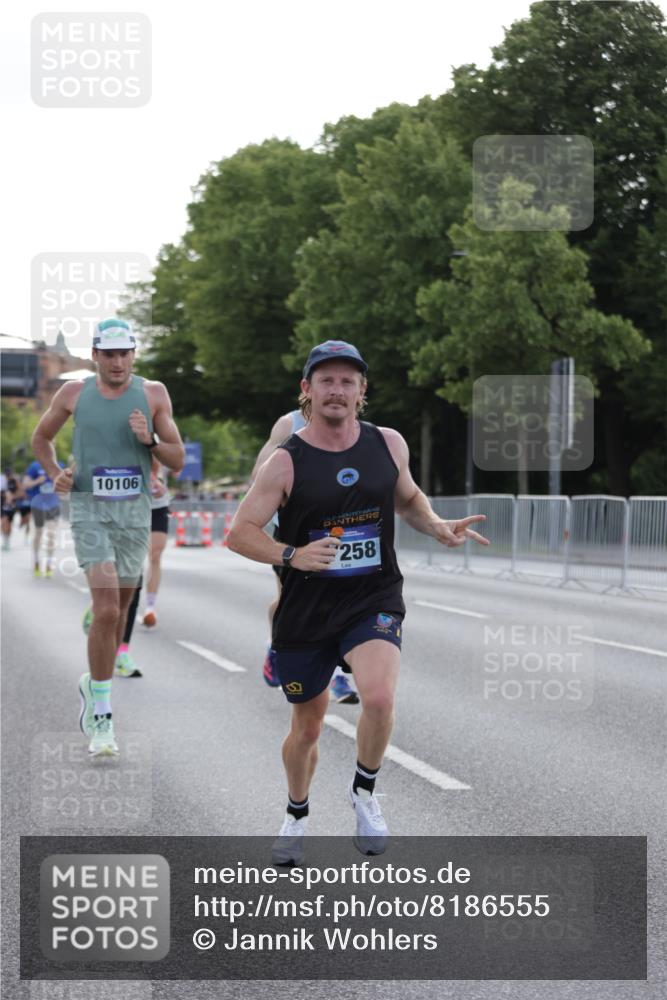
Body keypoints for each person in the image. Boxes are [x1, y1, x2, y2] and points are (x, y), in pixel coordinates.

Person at [227, 340, 489, 862]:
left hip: (373, 596)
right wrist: (291, 554)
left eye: (348, 381)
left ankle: (365, 793)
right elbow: (239, 533)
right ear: (307, 390)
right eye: (326, 380)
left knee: (380, 697)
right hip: (307, 608)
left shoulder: (388, 444)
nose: (337, 390)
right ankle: (296, 814)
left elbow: (408, 498)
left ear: (362, 391)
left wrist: (436, 526)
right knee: (307, 727)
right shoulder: (285, 461)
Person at [31, 318, 185, 757]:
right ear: (95, 355)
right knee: (104, 608)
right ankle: (102, 713)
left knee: (119, 613)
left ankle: (92, 682)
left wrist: (150, 439)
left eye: (124, 353)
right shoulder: (74, 394)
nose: (117, 362)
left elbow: (175, 458)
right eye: (108, 354)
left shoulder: (153, 393)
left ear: (134, 354)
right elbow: (41, 438)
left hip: (135, 515)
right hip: (89, 510)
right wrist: (56, 473)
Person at [251, 411, 360, 705]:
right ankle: (275, 647)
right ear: (308, 388)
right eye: (325, 381)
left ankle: (338, 676)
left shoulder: (357, 428)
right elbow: (258, 476)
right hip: (291, 532)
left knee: (339, 600)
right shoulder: (288, 424)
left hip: (340, 531)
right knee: (291, 601)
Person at [140, 460, 171, 627]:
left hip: (158, 505)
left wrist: (159, 479)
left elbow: (176, 462)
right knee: (130, 557)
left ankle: (150, 607)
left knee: (155, 555)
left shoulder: (162, 435)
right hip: (130, 504)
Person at [23, 459, 64, 576]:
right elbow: (26, 484)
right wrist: (37, 481)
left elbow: (66, 484)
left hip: (53, 505)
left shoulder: (59, 465)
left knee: (51, 534)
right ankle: (36, 560)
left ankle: (49, 563)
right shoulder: (34, 466)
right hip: (37, 505)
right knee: (38, 533)